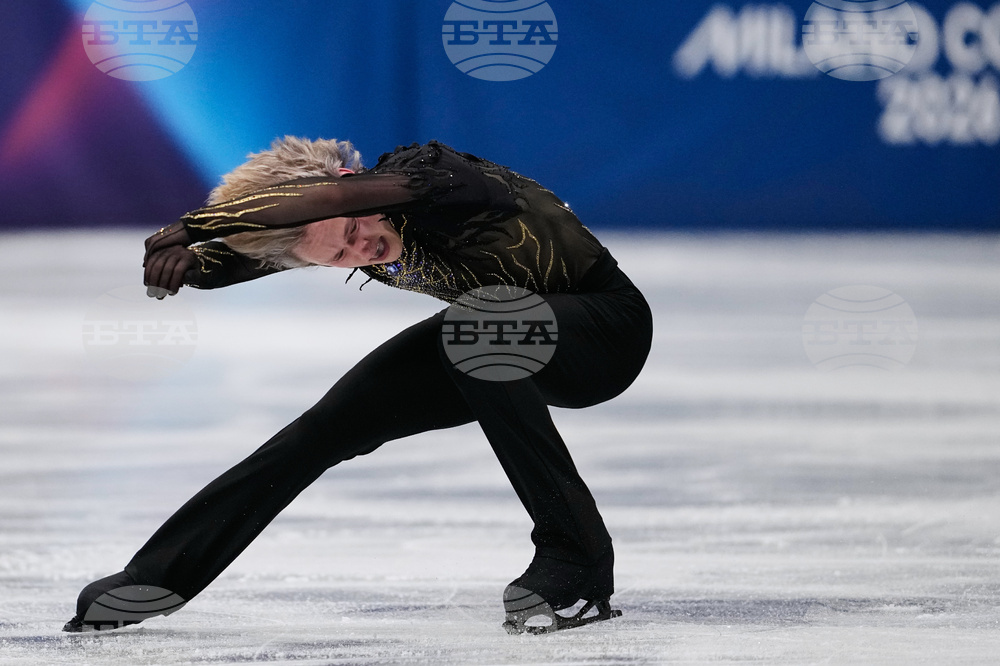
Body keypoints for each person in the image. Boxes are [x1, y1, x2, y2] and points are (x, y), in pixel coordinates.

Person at [63, 138, 653, 635]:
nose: (359, 250)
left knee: (475, 324)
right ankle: (154, 579)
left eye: (352, 231)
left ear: (353, 183)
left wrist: (195, 224)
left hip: (604, 334)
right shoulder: (338, 225)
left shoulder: (436, 179)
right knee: (328, 427)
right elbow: (262, 253)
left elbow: (332, 202)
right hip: (492, 344)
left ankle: (577, 558)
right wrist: (196, 266)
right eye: (337, 254)